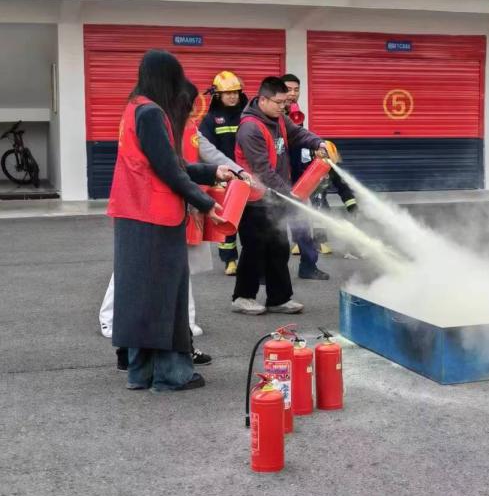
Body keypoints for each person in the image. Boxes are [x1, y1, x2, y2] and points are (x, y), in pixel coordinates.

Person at [99, 82, 246, 360]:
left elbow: (198, 158)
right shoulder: (152, 120)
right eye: (187, 105)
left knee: (177, 271)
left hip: (173, 204)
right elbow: (171, 170)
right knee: (136, 274)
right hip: (151, 209)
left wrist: (227, 171)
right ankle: (119, 329)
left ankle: (182, 331)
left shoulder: (179, 125)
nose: (191, 111)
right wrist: (203, 201)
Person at [106, 49, 222, 392]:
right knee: (167, 296)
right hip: (156, 216)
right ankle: (172, 374)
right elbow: (169, 168)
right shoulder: (153, 113)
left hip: (132, 213)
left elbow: (164, 163)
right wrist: (204, 202)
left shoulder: (134, 108)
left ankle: (140, 373)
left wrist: (213, 172)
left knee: (140, 296)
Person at [231, 76, 327, 316]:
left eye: (285, 102)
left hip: (276, 198)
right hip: (254, 199)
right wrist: (290, 195)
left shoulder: (280, 119)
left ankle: (279, 299)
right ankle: (243, 297)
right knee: (254, 249)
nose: (284, 106)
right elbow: (263, 171)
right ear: (263, 99)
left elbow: (298, 134)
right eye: (279, 102)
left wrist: (319, 143)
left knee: (279, 248)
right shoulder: (251, 128)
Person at [281, 74, 329, 280]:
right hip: (275, 179)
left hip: (295, 178)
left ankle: (308, 266)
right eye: (288, 89)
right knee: (273, 229)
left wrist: (315, 148)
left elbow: (300, 139)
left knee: (301, 223)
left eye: (296, 90)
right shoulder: (271, 114)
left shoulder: (296, 113)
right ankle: (271, 272)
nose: (293, 94)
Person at [199, 70, 247, 276]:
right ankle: (229, 260)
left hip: (247, 175)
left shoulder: (247, 115)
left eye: (235, 92)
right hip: (225, 176)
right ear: (218, 95)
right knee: (227, 218)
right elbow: (206, 150)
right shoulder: (211, 119)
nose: (233, 96)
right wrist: (216, 176)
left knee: (249, 221)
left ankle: (249, 260)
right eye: (228, 93)